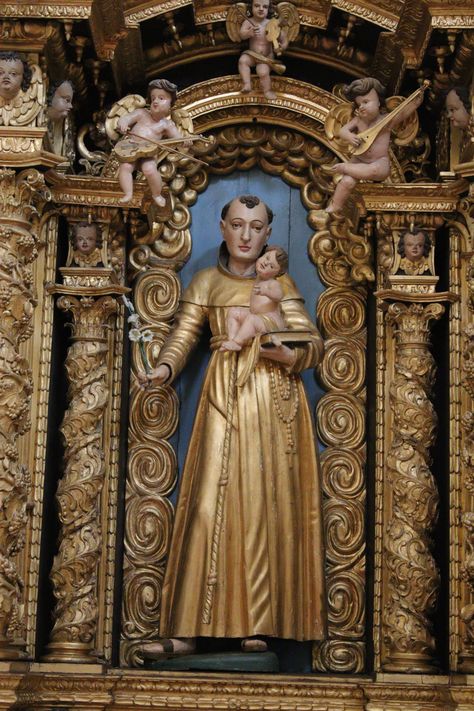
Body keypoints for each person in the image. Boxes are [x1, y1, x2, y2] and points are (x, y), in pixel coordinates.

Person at [138, 194, 326, 658]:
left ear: (268, 235)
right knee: (208, 502)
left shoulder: (279, 283)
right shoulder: (206, 281)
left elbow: (310, 341)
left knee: (262, 503)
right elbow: (185, 334)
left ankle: (259, 621)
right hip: (224, 394)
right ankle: (187, 627)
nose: (246, 236)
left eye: (256, 228)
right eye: (238, 225)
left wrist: (288, 353)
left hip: (270, 396)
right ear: (222, 227)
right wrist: (164, 369)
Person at [325, 77, 424, 216]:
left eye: (366, 102)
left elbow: (402, 114)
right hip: (359, 159)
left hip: (379, 161)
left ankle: (345, 168)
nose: (362, 106)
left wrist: (415, 103)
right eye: (359, 104)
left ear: (378, 102)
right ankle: (336, 205)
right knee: (346, 182)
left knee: (376, 170)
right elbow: (342, 131)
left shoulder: (386, 121)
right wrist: (349, 136)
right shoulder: (358, 120)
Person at [116, 79, 185, 207]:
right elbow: (125, 118)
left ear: (170, 104)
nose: (155, 101)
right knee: (125, 167)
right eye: (153, 98)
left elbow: (178, 139)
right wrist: (123, 123)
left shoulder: (167, 125)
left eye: (161, 98)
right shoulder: (141, 113)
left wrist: (185, 142)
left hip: (148, 153)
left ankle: (157, 194)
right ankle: (128, 193)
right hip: (131, 147)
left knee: (150, 170)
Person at [220, 245, 287, 351]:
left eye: (271, 266)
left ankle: (237, 342)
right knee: (234, 312)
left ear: (277, 273)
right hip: (257, 317)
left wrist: (266, 292)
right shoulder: (258, 279)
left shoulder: (273, 283)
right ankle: (232, 340)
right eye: (267, 257)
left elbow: (279, 296)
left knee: (251, 319)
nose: (266, 263)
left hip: (270, 322)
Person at [238, 0, 287, 99]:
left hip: (266, 57)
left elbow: (283, 38)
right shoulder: (248, 22)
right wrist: (249, 33)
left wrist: (282, 47)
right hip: (252, 54)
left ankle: (267, 90)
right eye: (257, 6)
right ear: (251, 7)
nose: (261, 9)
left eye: (264, 7)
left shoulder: (272, 23)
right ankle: (247, 84)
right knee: (242, 61)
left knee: (262, 72)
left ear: (269, 9)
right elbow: (241, 35)